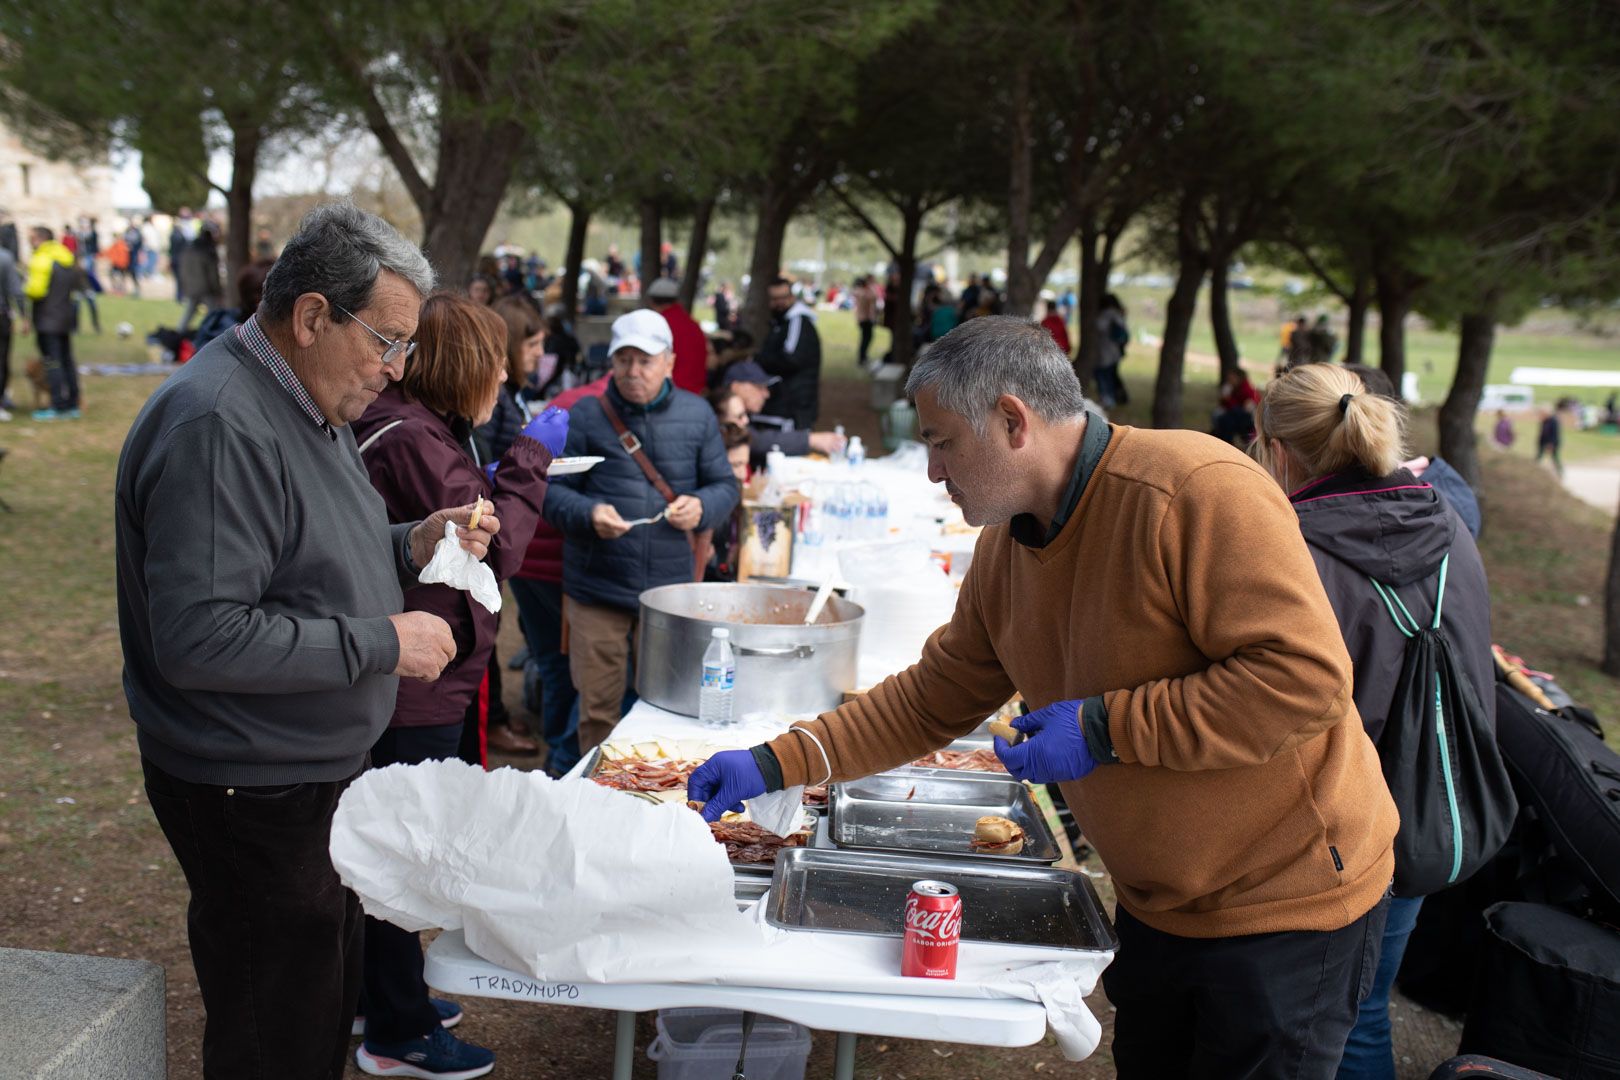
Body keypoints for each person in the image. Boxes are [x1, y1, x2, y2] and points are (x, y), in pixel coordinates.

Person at [690, 315, 1396, 1080]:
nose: (932, 471)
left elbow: (1305, 680)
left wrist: (1105, 727)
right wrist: (778, 761)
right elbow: (934, 698)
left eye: (941, 441)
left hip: (1283, 905)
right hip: (1162, 903)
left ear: (1012, 421)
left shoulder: (1194, 491)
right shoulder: (1008, 546)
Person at [114, 202, 497, 1079]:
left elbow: (303, 546)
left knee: (318, 1002)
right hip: (249, 789)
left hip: (303, 773)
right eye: (388, 340)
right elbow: (199, 638)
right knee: (274, 1030)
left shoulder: (305, 396)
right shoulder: (220, 423)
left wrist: (411, 540)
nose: (398, 369)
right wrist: (379, 642)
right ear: (313, 315)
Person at [1251, 363, 1496, 1080]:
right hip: (1427, 814)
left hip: (1331, 836)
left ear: (1279, 451)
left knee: (1319, 1027)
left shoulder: (1289, 550)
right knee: (1362, 1012)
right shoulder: (1448, 520)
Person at [351, 292, 565, 1078]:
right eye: (499, 363)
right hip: (416, 681)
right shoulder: (413, 436)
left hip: (426, 675)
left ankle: (382, 994)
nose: (508, 377)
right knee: (401, 856)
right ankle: (395, 1030)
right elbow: (493, 547)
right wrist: (531, 463)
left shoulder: (423, 426)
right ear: (470, 366)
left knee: (394, 845)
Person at [542, 309, 739, 750]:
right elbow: (551, 493)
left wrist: (702, 506)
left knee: (670, 706)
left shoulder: (697, 413)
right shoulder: (587, 414)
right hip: (597, 589)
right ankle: (594, 796)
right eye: (624, 360)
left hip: (671, 596)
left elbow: (726, 485)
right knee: (597, 711)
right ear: (611, 362)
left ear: (669, 361)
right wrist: (589, 513)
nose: (634, 372)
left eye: (645, 360)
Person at [718, 360, 845, 463]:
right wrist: (811, 440)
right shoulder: (722, 412)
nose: (766, 394)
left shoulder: (744, 412)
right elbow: (757, 441)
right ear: (736, 386)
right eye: (759, 387)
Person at [23, 225, 82, 420]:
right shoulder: (66, 257)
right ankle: (73, 402)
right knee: (67, 360)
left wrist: (25, 286)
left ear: (39, 239)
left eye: (31, 238)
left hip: (47, 318)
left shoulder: (42, 259)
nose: (30, 242)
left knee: (52, 362)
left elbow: (35, 291)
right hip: (65, 316)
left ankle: (58, 405)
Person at [757, 276, 821, 429]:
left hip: (796, 404)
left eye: (783, 297)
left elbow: (792, 359)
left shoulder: (797, 320)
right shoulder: (781, 322)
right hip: (786, 403)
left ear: (792, 297)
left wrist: (759, 360)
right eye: (775, 298)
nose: (779, 303)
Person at [646, 276, 711, 394]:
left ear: (651, 301)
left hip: (671, 394)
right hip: (697, 394)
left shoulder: (657, 326)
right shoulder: (694, 325)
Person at [177, 221, 223, 333]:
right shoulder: (208, 250)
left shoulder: (189, 248)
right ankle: (212, 333)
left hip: (191, 286)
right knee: (214, 312)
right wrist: (218, 290)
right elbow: (213, 274)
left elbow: (183, 269)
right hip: (205, 288)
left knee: (190, 311)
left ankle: (180, 332)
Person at [0, 240, 24, 420]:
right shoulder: (5, 257)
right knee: (1, 360)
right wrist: (23, 315)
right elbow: (15, 289)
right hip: (2, 315)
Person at [1094, 292, 1129, 409]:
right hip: (1116, 350)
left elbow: (1100, 326)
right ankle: (1114, 397)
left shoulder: (1107, 314)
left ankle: (1107, 398)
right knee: (1111, 374)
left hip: (1106, 350)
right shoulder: (1119, 314)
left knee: (1103, 374)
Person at [1211, 367, 1260, 444]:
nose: (1229, 381)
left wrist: (1228, 399)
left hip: (1247, 419)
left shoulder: (1247, 390)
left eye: (1232, 378)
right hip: (1235, 416)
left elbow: (1244, 409)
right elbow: (1226, 405)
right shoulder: (1232, 388)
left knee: (1227, 420)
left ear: (1238, 378)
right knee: (1220, 415)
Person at [167, 206, 197, 301]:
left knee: (181, 279)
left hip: (178, 258)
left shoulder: (181, 230)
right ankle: (181, 296)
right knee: (181, 278)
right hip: (180, 258)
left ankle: (181, 296)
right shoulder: (182, 231)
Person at [852, 275, 878, 367]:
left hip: (863, 318)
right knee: (866, 338)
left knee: (866, 338)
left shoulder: (861, 292)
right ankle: (862, 358)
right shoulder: (863, 292)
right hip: (865, 319)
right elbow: (873, 297)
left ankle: (863, 356)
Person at [1536, 405, 1563, 478]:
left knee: (1554, 457)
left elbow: (1555, 434)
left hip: (1552, 443)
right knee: (1538, 457)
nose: (1540, 414)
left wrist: (1551, 444)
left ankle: (1560, 472)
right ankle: (1534, 471)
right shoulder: (1544, 421)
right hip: (1543, 442)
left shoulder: (1553, 421)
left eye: (1542, 412)